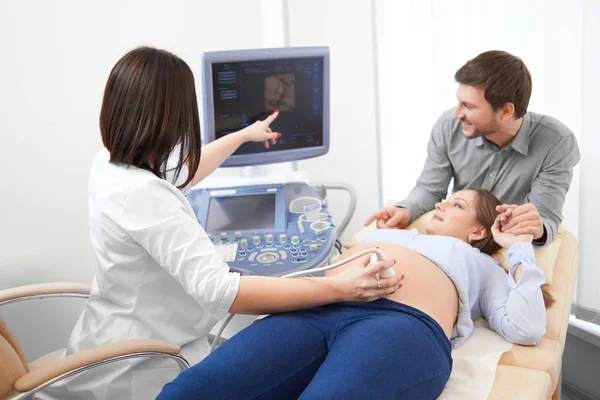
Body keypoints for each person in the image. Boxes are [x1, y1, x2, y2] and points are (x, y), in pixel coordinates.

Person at [35, 47, 400, 400]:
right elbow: (223, 292)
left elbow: (180, 173)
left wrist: (242, 136)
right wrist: (338, 289)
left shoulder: (110, 164)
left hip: (108, 333)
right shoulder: (144, 196)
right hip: (141, 365)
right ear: (172, 118)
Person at [157, 189, 551, 400]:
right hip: (316, 308)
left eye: (458, 203)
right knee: (191, 390)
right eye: (444, 199)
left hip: (400, 326)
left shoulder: (478, 262)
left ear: (478, 231)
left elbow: (526, 326)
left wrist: (517, 246)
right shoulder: (388, 233)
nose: (441, 204)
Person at [365, 50, 580, 245]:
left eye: (468, 106)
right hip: (456, 237)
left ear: (506, 111)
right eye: (459, 102)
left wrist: (535, 228)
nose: (457, 114)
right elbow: (430, 188)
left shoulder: (557, 143)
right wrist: (406, 210)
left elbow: (545, 217)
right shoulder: (449, 126)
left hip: (502, 242)